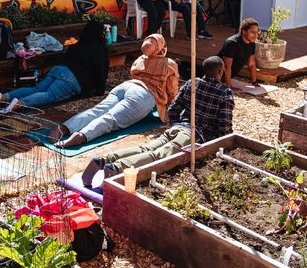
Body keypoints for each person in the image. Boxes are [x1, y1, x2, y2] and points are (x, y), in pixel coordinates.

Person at [80, 56, 233, 186]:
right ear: (220, 72)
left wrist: (176, 125)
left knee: (146, 149)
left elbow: (173, 109)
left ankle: (102, 160)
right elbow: (224, 128)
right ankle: (116, 168)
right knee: (157, 156)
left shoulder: (193, 83)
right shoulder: (224, 93)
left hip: (178, 128)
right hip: (194, 135)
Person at [51, 34, 179, 148]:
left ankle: (62, 128)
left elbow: (134, 73)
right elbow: (172, 89)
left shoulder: (140, 59)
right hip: (143, 94)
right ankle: (81, 136)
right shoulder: (169, 64)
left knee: (97, 110)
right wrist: (171, 111)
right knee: (111, 118)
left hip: (126, 87)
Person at [0, 21, 109, 111]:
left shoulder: (78, 45)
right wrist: (100, 91)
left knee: (37, 89)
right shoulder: (99, 49)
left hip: (59, 70)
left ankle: (4, 97)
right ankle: (19, 104)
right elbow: (100, 70)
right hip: (73, 79)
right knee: (50, 95)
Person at [217, 18, 259, 89]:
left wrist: (254, 82)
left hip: (226, 78)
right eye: (252, 32)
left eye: (257, 32)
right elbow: (227, 67)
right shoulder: (232, 43)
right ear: (244, 31)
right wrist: (229, 87)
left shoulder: (252, 43)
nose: (256, 35)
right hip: (216, 77)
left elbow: (251, 64)